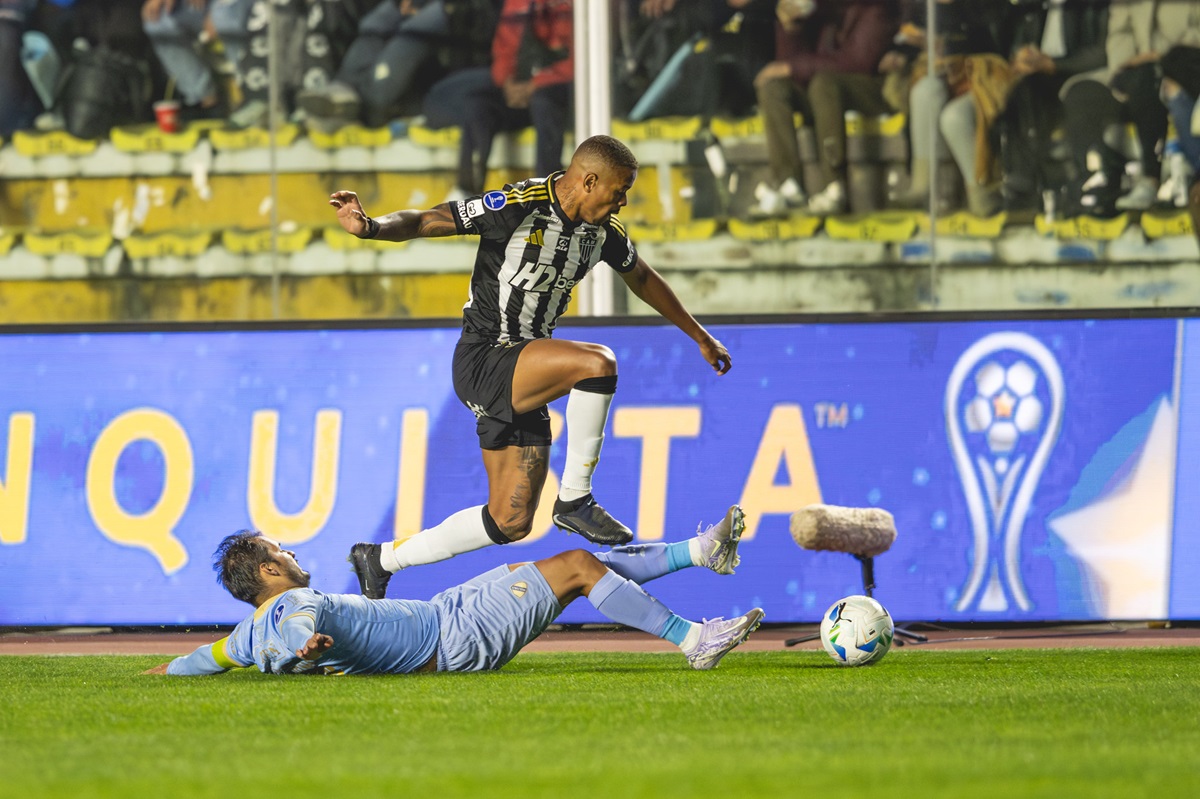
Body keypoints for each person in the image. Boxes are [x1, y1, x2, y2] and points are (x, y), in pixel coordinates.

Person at [329, 134, 733, 599]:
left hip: (525, 369)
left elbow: (640, 275)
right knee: (596, 363)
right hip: (486, 355)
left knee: (510, 520)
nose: (623, 201)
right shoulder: (518, 204)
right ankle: (576, 498)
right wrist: (372, 227)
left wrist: (699, 335)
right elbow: (427, 219)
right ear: (589, 179)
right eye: (619, 190)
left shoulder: (602, 232)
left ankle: (380, 559)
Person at [143, 510, 762, 675]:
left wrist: (162, 672)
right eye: (284, 553)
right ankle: (693, 640)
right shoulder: (292, 609)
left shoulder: (248, 635)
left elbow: (205, 659)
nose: (294, 555)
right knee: (573, 565)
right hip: (454, 636)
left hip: (447, 614)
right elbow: (302, 625)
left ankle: (699, 553)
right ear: (270, 573)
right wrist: (308, 646)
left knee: (576, 566)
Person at [747, 0, 897, 217]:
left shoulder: (876, 8)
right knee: (773, 87)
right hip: (823, 91)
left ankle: (834, 186)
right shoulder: (823, 8)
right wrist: (790, 29)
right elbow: (796, 61)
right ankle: (787, 185)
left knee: (823, 84)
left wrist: (789, 68)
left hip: (873, 90)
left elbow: (855, 62)